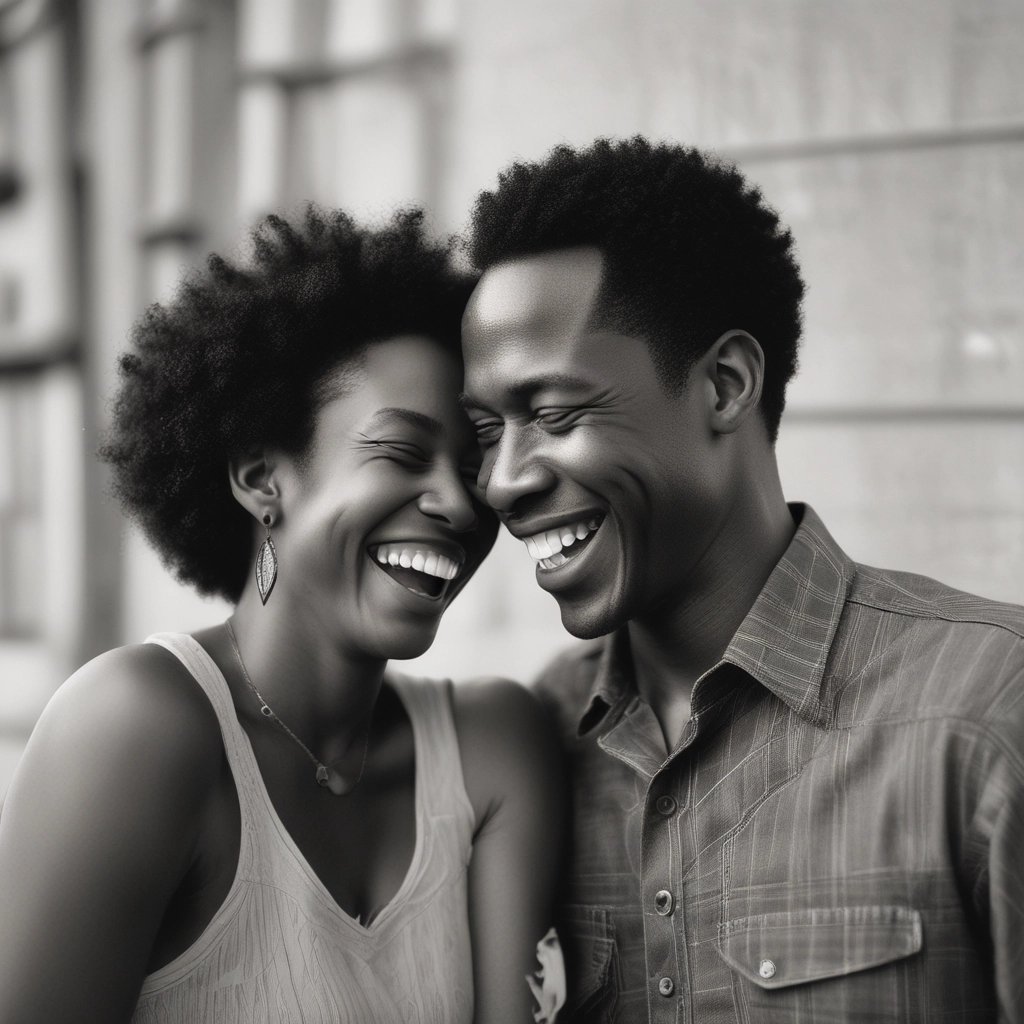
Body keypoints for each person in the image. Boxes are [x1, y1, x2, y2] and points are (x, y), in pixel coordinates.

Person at [459, 137, 1024, 1022]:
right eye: (487, 432)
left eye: (556, 413)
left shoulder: (990, 709)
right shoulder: (533, 756)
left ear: (724, 384)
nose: (503, 480)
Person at [0, 207, 562, 1023]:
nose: (456, 503)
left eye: (473, 469)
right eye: (402, 453)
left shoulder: (494, 750)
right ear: (264, 476)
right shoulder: (135, 729)